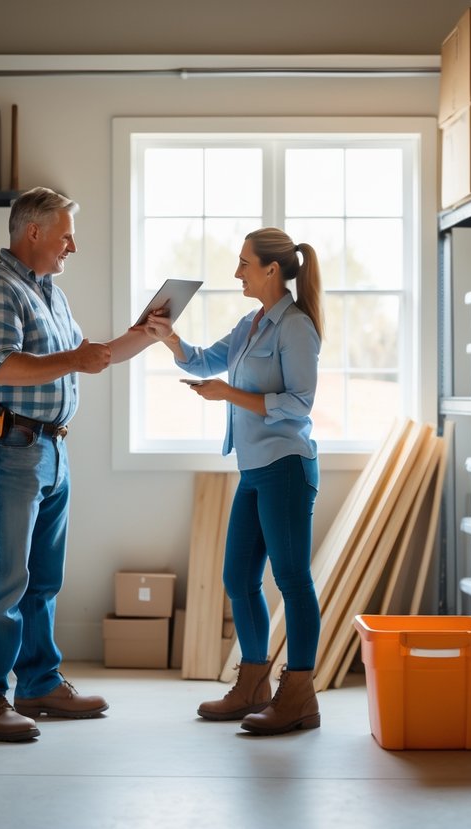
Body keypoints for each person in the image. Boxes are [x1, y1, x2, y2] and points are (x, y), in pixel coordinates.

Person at [0, 186, 156, 742]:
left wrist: (142, 335)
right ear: (34, 232)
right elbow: (4, 369)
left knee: (43, 579)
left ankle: (39, 683)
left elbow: (87, 359)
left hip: (50, 448)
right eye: (66, 234)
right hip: (10, 449)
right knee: (5, 581)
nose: (74, 245)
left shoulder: (48, 294)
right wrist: (76, 358)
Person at [141, 227, 324, 735]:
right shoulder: (250, 324)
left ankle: (299, 696)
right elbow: (204, 361)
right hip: (253, 467)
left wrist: (228, 395)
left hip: (286, 466)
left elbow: (298, 406)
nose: (236, 272)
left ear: (271, 269)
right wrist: (169, 338)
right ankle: (252, 686)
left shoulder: (297, 327)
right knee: (238, 580)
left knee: (291, 580)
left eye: (244, 263)